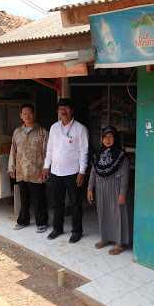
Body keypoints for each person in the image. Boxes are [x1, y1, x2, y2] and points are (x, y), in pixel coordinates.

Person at [43, 98, 89, 243]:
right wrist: (46, 166)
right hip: (56, 171)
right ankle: (58, 228)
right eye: (60, 108)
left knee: (75, 203)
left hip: (73, 172)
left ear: (72, 110)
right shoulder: (54, 127)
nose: (63, 111)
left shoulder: (80, 129)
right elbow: (49, 149)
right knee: (58, 202)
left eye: (66, 108)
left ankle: (77, 231)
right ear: (58, 111)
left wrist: (82, 171)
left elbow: (84, 151)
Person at [87, 126, 131, 255]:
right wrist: (90, 188)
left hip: (115, 188)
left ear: (115, 138)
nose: (107, 139)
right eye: (105, 137)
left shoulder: (121, 156)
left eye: (111, 136)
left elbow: (125, 176)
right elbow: (93, 172)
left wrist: (122, 193)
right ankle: (105, 238)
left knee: (117, 215)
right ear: (101, 139)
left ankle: (119, 243)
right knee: (103, 213)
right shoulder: (98, 154)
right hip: (101, 189)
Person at [8, 104, 49, 233]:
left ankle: (41, 222)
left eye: (30, 113)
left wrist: (46, 168)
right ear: (21, 116)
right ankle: (23, 220)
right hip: (21, 171)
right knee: (23, 198)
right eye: (24, 113)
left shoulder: (42, 132)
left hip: (37, 172)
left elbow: (48, 152)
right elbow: (13, 151)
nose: (27, 116)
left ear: (34, 114)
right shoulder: (17, 132)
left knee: (39, 198)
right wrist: (11, 167)